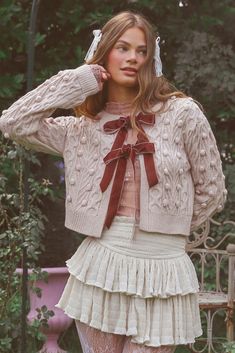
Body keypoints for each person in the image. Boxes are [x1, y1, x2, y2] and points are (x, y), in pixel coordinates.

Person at [0, 10, 227, 353]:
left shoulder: (183, 114)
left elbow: (213, 190)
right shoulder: (81, 129)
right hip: (103, 262)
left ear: (152, 58)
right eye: (123, 47)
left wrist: (170, 224)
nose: (133, 57)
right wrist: (77, 81)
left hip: (164, 266)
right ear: (104, 51)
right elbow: (14, 122)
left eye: (141, 50)